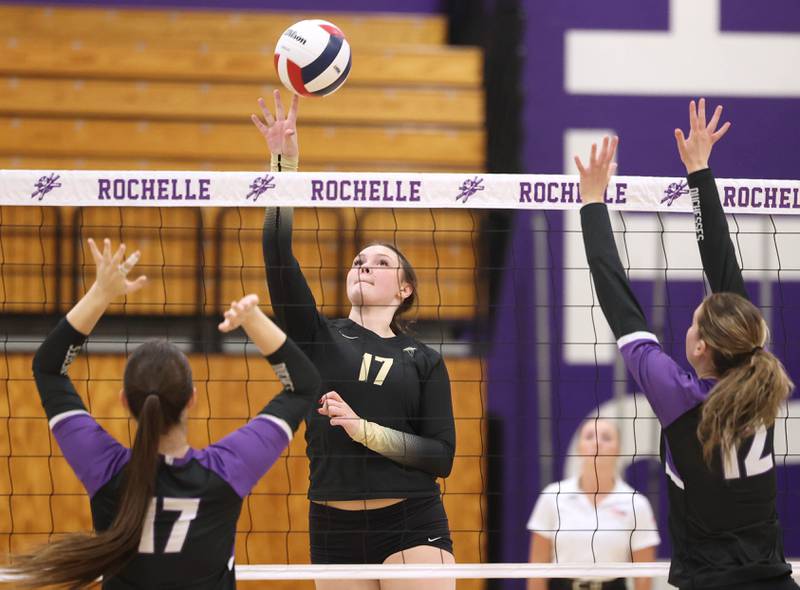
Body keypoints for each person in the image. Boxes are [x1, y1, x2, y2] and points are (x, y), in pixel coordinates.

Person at [9, 238, 321, 589]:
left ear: (125, 401)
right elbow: (304, 384)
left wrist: (100, 293)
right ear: (192, 399)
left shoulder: (106, 471)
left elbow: (49, 368)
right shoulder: (225, 472)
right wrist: (253, 320)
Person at [575, 99, 797, 589]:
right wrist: (699, 170)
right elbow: (723, 265)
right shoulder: (759, 372)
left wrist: (592, 202)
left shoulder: (678, 395)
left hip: (707, 581)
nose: (690, 326)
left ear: (701, 349)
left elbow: (617, 296)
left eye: (695, 324)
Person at [252, 90, 457, 590]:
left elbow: (440, 457)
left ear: (404, 289)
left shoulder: (422, 360)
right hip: (333, 526)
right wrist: (284, 165)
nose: (364, 264)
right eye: (358, 260)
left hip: (411, 520)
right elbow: (277, 256)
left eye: (381, 262)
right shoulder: (317, 335)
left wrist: (363, 429)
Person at [527, 419, 660, 590]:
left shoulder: (636, 503)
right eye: (589, 436)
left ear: (618, 449)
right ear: (578, 447)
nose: (597, 442)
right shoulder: (552, 496)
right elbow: (537, 568)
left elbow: (643, 576)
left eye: (606, 437)